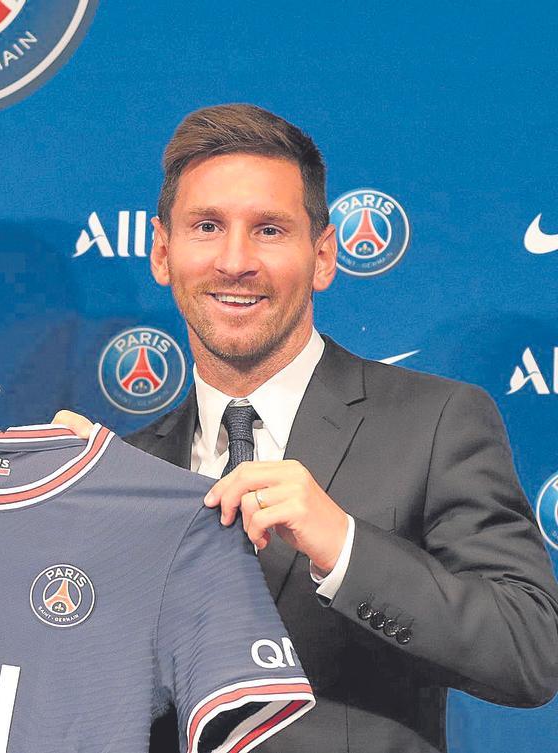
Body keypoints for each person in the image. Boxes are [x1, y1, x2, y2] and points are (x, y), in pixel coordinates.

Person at [56, 103, 558, 752]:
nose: (235, 261)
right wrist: (61, 523)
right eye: (207, 226)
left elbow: (530, 648)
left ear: (323, 254)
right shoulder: (126, 468)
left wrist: (343, 545)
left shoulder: (436, 422)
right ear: (162, 252)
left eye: (269, 230)